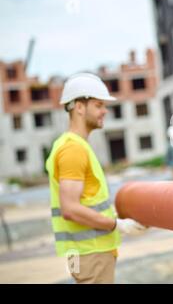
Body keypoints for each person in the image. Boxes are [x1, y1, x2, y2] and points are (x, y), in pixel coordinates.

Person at [46, 73, 148, 284]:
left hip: (84, 252)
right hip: (91, 253)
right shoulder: (73, 149)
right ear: (79, 107)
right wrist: (116, 225)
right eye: (99, 105)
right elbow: (70, 209)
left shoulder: (70, 145)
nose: (105, 111)